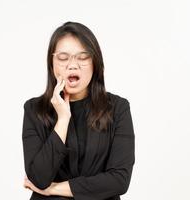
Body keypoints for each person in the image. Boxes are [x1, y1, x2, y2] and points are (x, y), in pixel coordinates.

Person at [22, 21, 135, 200]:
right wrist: (63, 119)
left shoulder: (118, 108)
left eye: (82, 57)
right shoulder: (34, 110)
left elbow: (119, 180)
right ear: (51, 64)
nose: (72, 65)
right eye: (63, 57)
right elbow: (39, 178)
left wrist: (55, 189)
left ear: (95, 63)